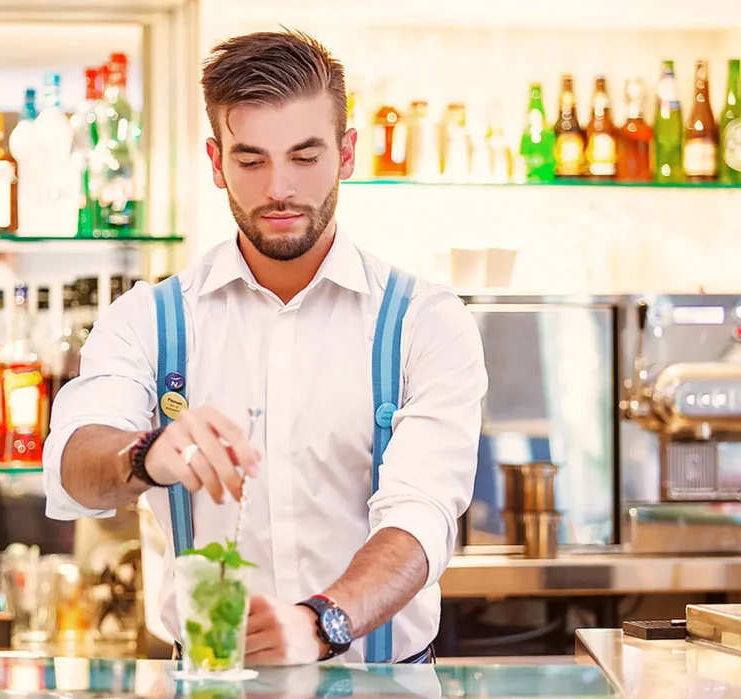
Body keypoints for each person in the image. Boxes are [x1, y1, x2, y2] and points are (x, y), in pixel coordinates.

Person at [43, 29, 487, 666]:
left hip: (383, 682)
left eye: (305, 156)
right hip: (208, 680)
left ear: (348, 152)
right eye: (251, 160)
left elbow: (421, 516)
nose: (279, 188)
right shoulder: (150, 318)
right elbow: (75, 466)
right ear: (216, 162)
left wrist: (322, 621)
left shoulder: (426, 321)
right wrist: (146, 455)